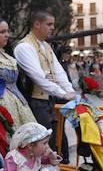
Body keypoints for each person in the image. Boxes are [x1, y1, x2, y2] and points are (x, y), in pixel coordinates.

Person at [13, 10, 76, 161]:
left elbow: (58, 72)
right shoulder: (24, 47)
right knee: (38, 144)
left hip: (47, 101)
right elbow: (39, 77)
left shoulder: (46, 46)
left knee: (50, 142)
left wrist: (70, 91)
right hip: (33, 102)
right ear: (37, 24)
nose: (52, 28)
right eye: (49, 24)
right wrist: (63, 94)